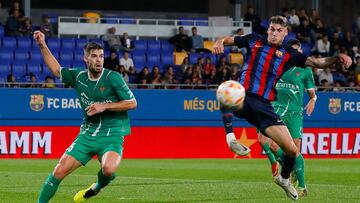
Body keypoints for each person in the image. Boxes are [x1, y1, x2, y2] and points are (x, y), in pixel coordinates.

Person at [213, 15, 351, 200]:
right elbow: (227, 40)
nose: (274, 33)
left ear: (285, 33)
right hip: (245, 97)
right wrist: (218, 42)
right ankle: (231, 138)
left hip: (265, 107)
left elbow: (318, 63)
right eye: (271, 29)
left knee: (292, 151)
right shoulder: (254, 40)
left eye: (279, 30)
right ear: (267, 30)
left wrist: (338, 57)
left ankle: (284, 179)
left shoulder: (290, 54)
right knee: (226, 90)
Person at [33, 30, 137, 203]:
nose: (99, 60)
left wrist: (104, 106)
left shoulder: (113, 78)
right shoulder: (78, 76)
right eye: (94, 56)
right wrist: (42, 44)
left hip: (112, 133)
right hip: (88, 134)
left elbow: (132, 103)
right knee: (58, 171)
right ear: (86, 59)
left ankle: (95, 188)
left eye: (101, 56)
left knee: (109, 170)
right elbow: (56, 69)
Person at [257, 39, 317, 198]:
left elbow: (312, 93)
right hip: (276, 108)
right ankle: (286, 168)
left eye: (297, 51)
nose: (295, 54)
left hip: (294, 113)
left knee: (294, 149)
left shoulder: (305, 69)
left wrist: (313, 100)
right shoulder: (277, 65)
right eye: (292, 51)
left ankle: (303, 186)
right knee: (270, 143)